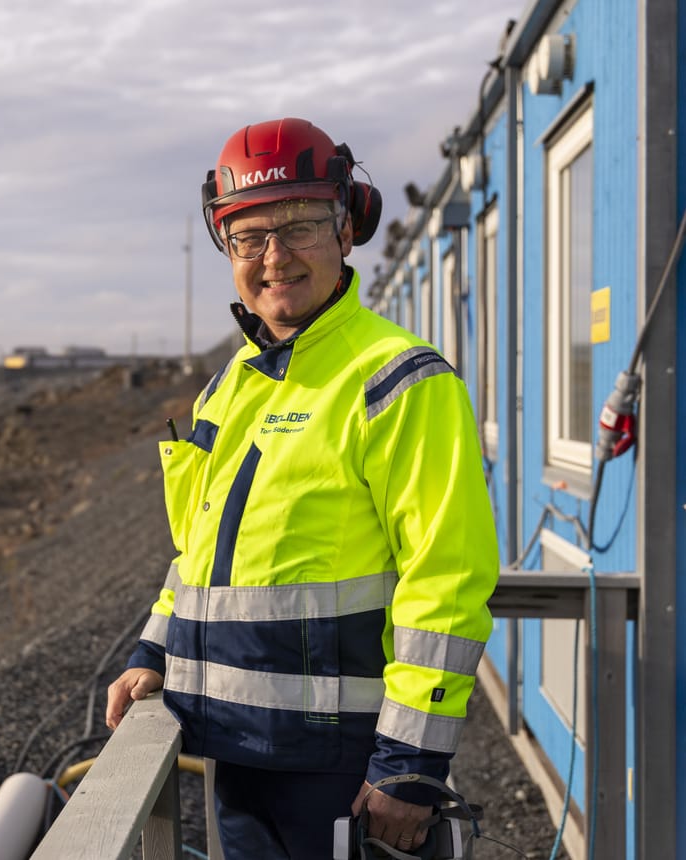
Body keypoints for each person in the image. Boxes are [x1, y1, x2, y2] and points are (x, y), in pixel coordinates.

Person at [104, 117, 498, 859]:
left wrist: (410, 761)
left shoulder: (399, 379)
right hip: (234, 755)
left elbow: (446, 579)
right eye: (248, 237)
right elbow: (200, 556)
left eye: (300, 227)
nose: (274, 257)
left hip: (346, 770)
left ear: (347, 228)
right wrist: (152, 652)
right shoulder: (231, 386)